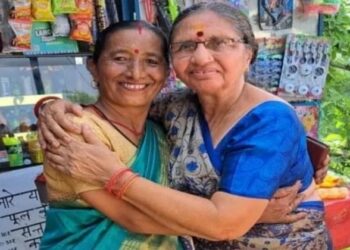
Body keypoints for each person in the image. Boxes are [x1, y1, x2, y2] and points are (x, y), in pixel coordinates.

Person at [38, 2, 331, 249]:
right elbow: (123, 103)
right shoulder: (174, 108)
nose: (202, 57)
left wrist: (114, 175)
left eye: (219, 43)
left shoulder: (269, 121)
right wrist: (48, 107)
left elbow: (224, 224)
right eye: (186, 46)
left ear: (249, 53)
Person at [40, 20, 184, 249]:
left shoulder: (161, 128)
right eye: (120, 59)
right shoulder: (74, 130)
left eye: (151, 61)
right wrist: (224, 223)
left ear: (167, 72)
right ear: (93, 66)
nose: (136, 73)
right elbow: (134, 219)